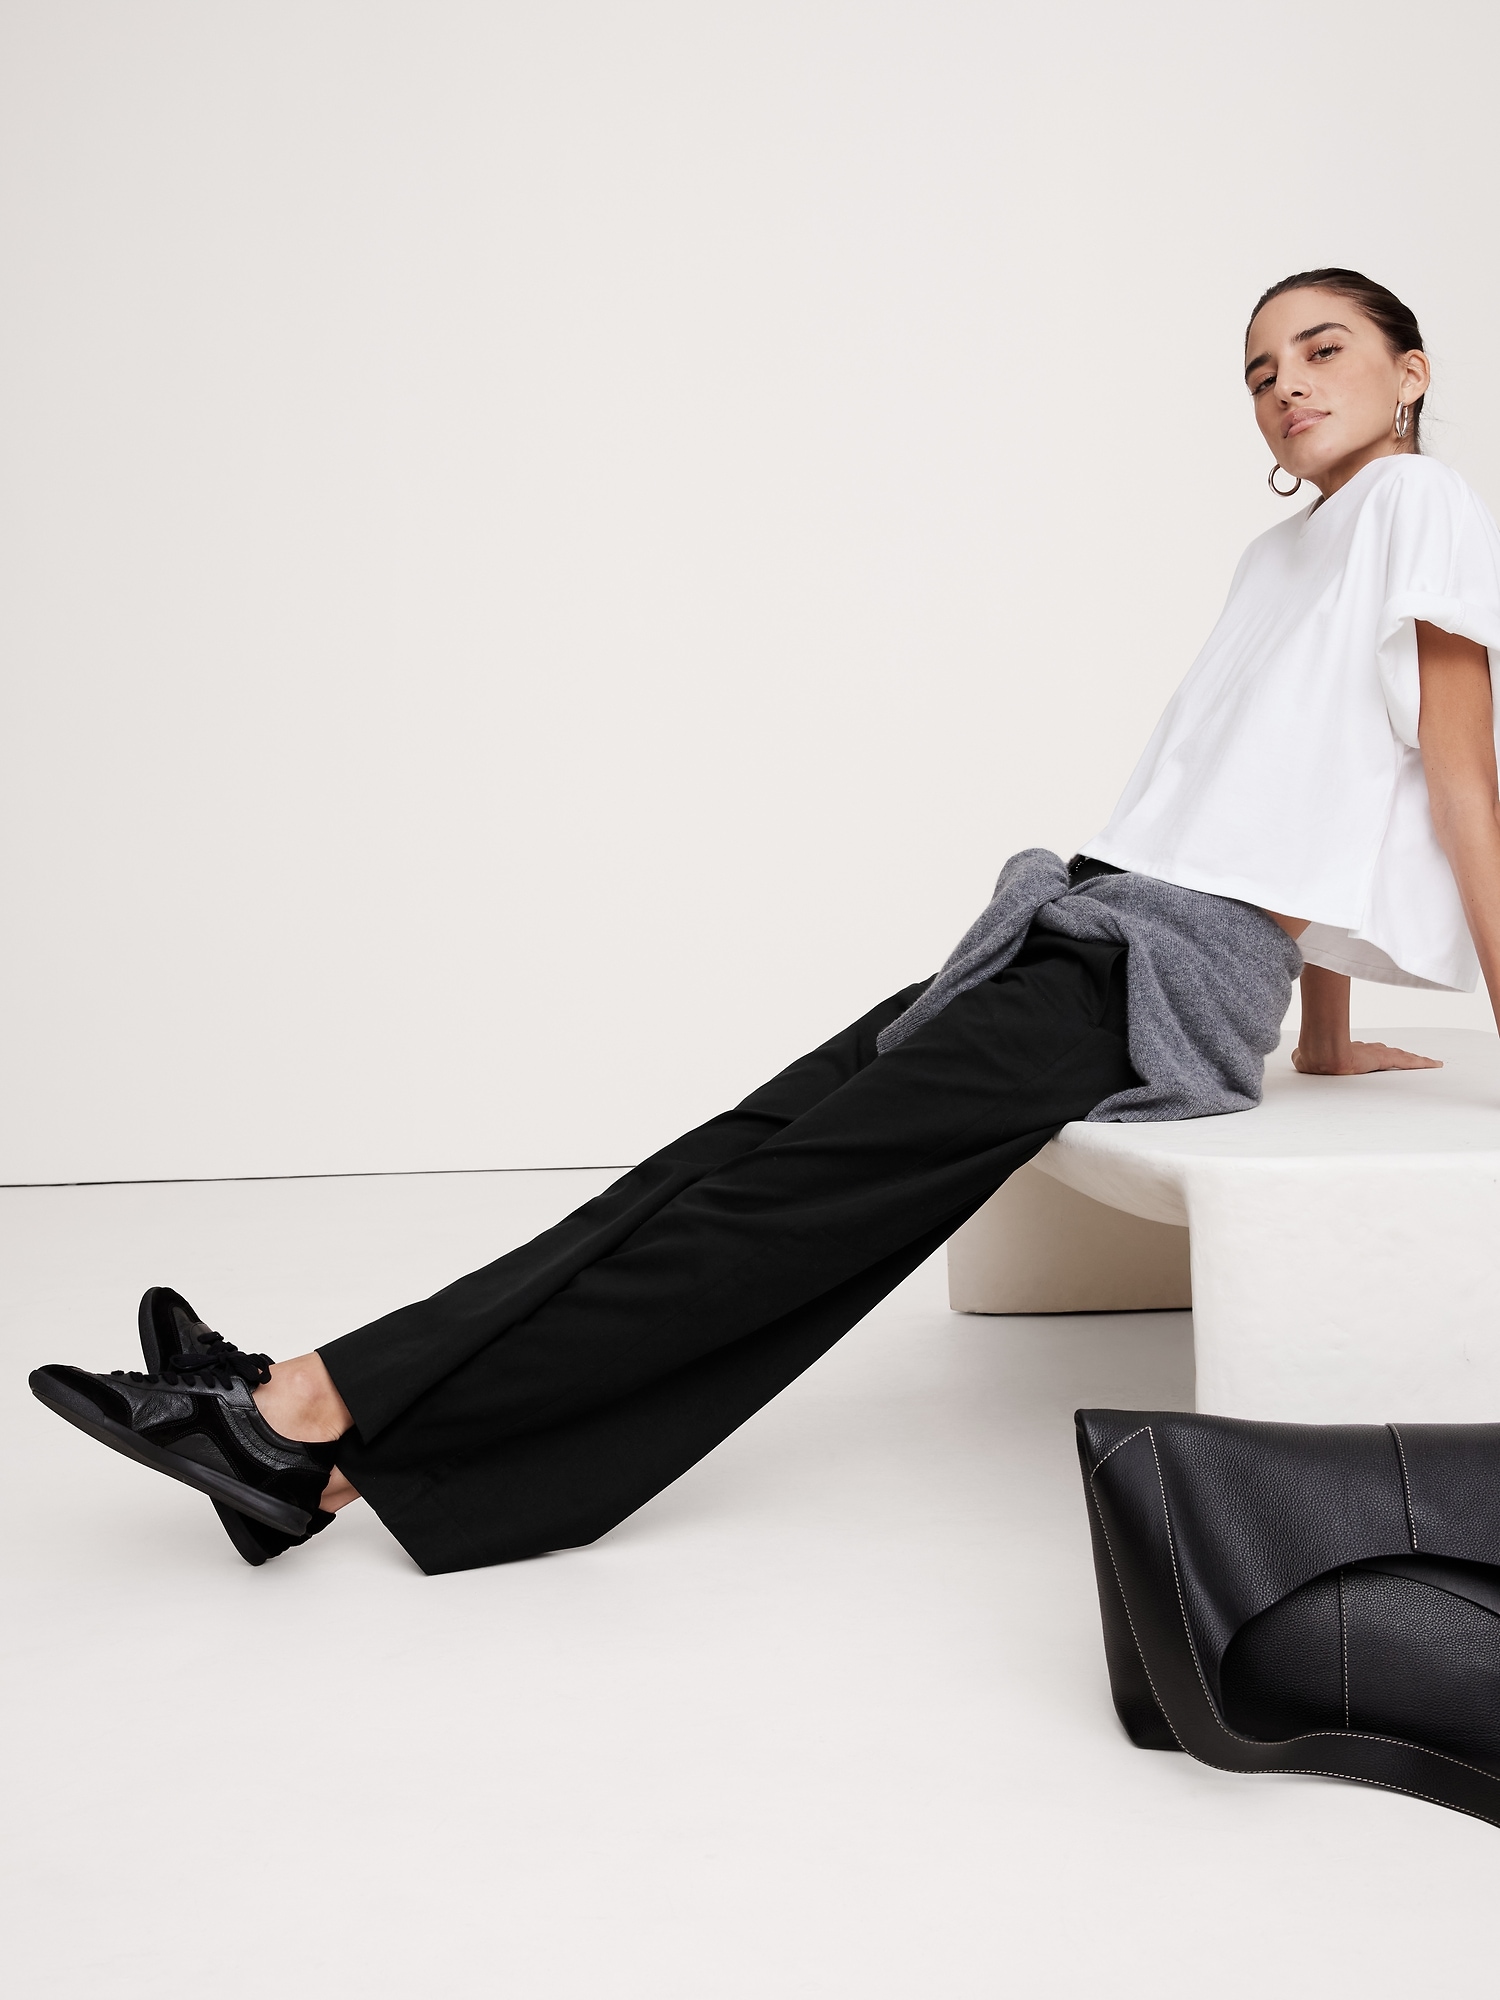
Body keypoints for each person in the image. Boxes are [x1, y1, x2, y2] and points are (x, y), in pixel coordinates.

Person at [30, 269, 1500, 1574]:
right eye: (1259, 370)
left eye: (1323, 350)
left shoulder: (1422, 505)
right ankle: (326, 1462)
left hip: (1148, 976)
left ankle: (298, 1411)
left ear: (1411, 371)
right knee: (721, 1164)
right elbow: (1296, 789)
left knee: (764, 1210)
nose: (1287, 384)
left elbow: (1452, 779)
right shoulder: (1281, 554)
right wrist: (1327, 1035)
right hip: (1076, 924)